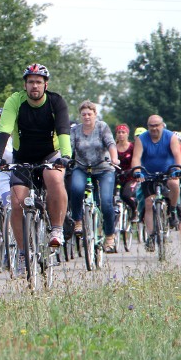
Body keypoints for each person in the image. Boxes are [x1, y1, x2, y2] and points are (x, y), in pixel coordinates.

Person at [0, 63, 71, 274]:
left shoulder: (56, 102)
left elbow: (63, 130)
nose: (34, 86)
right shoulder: (15, 101)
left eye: (38, 82)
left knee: (54, 178)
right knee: (17, 203)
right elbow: (5, 129)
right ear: (25, 85)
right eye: (30, 82)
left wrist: (66, 156)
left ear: (45, 84)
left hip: (50, 154)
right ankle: (24, 253)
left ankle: (57, 229)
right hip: (23, 157)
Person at [69, 101, 119, 253]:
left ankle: (110, 236)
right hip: (82, 167)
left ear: (95, 115)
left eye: (89, 114)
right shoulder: (75, 130)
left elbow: (110, 143)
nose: (86, 117)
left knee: (105, 202)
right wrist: (65, 159)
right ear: (80, 116)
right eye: (83, 114)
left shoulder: (102, 127)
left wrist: (114, 158)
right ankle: (78, 221)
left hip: (103, 168)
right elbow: (70, 146)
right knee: (76, 189)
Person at [131, 114, 181, 252]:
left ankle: (172, 210)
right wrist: (137, 172)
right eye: (151, 126)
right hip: (148, 174)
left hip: (168, 172)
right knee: (149, 202)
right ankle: (151, 236)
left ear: (162, 125)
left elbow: (177, 155)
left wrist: (177, 170)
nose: (154, 128)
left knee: (174, 185)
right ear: (148, 127)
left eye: (156, 125)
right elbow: (136, 158)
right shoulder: (142, 139)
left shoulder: (170, 136)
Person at [115, 124, 139, 222]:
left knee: (126, 195)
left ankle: (135, 210)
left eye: (123, 132)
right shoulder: (113, 147)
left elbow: (137, 159)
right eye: (118, 132)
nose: (121, 135)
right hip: (116, 176)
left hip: (130, 176)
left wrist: (136, 171)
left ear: (127, 134)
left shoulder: (132, 147)